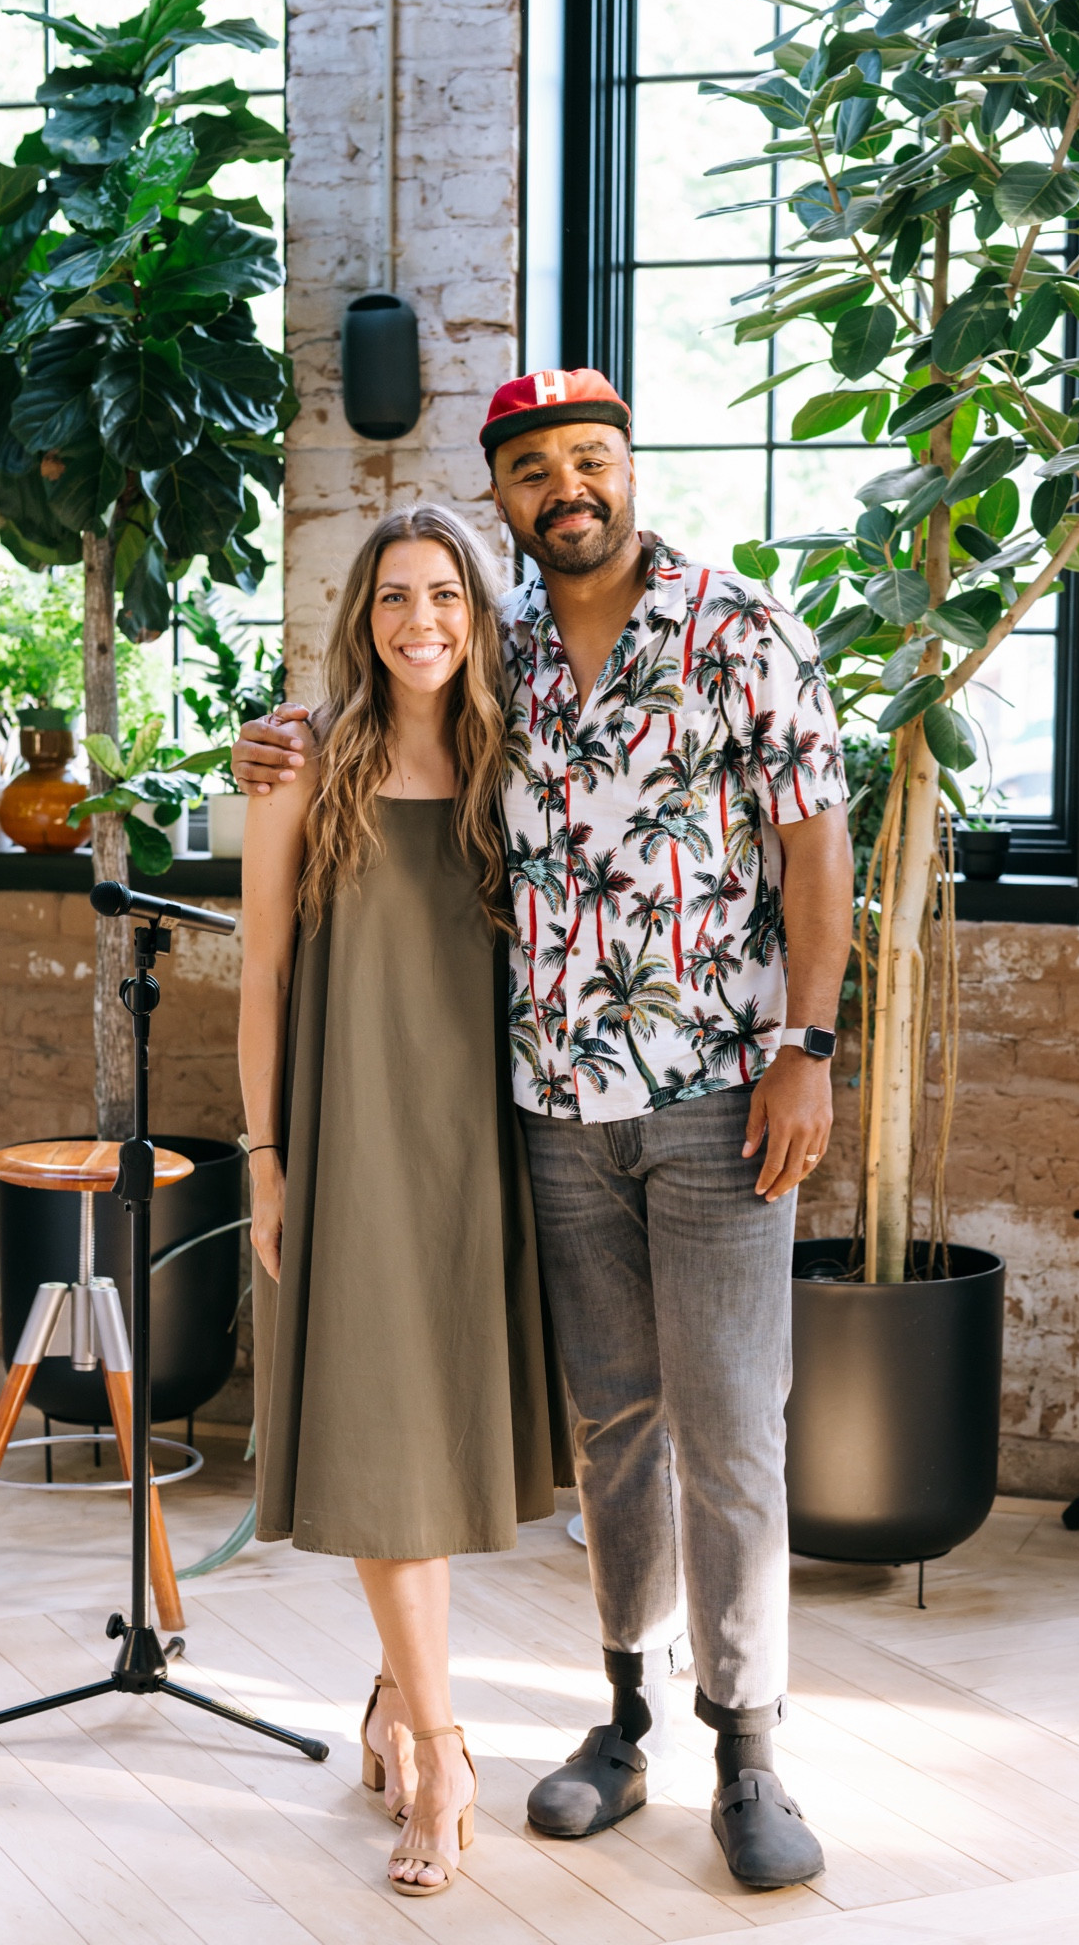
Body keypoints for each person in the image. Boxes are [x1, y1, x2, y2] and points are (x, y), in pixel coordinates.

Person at [234, 368, 854, 1892]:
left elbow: (815, 843)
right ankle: (624, 1725)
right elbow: (389, 696)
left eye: (591, 458)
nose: (565, 486)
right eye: (533, 468)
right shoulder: (504, 647)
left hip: (719, 1092)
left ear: (631, 467)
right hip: (554, 1109)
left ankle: (749, 1749)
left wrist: (807, 1048)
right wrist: (277, 742)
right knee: (615, 1432)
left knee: (731, 1426)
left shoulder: (738, 628)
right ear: (504, 494)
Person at [238, 503, 569, 1901]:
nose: (418, 620)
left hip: (487, 1145)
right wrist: (267, 1159)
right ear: (359, 618)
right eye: (391, 598)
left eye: (443, 595)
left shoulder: (524, 760)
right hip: (353, 1134)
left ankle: (389, 1693)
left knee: (435, 1444)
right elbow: (257, 976)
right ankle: (442, 1750)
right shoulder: (302, 763)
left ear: (480, 614)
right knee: (379, 1441)